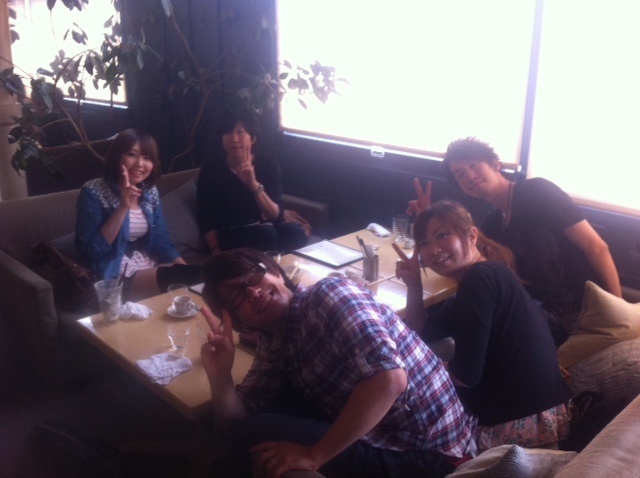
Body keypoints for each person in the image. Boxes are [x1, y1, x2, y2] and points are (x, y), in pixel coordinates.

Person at [198, 248, 476, 478]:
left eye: (255, 276)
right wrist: (220, 376)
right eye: (237, 296)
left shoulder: (329, 294)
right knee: (257, 424)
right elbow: (236, 423)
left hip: (430, 455)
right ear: (238, 320)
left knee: (257, 431)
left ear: (278, 273)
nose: (253, 292)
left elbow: (390, 379)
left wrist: (314, 455)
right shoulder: (275, 343)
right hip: (390, 438)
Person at [395, 200, 573, 453]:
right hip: (543, 413)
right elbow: (423, 332)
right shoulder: (485, 274)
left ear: (472, 235)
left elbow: (465, 376)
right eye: (423, 243)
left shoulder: (480, 279)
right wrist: (414, 285)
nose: (433, 250)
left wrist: (412, 370)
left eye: (442, 236)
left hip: (519, 424)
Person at [409, 137, 622, 344]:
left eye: (474, 165)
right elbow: (464, 260)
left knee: (469, 307)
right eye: (461, 174)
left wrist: (618, 310)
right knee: (457, 304)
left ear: (495, 164)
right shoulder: (493, 223)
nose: (470, 176)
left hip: (571, 312)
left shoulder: (537, 192)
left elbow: (597, 247)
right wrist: (429, 223)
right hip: (532, 306)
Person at [76, 129, 202, 301]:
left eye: (147, 157)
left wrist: (185, 270)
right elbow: (92, 251)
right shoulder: (93, 192)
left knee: (199, 278)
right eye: (132, 154)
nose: (140, 164)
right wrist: (123, 206)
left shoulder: (150, 192)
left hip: (144, 265)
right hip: (111, 276)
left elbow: (161, 241)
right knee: (186, 279)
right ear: (117, 156)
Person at [196, 107, 308, 255]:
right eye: (228, 132)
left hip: (264, 226)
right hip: (230, 233)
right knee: (267, 235)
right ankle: (272, 264)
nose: (234, 139)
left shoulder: (268, 164)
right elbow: (206, 217)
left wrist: (253, 184)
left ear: (253, 138)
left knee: (294, 232)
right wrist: (216, 251)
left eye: (240, 132)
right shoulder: (211, 169)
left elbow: (275, 216)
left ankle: (282, 266)